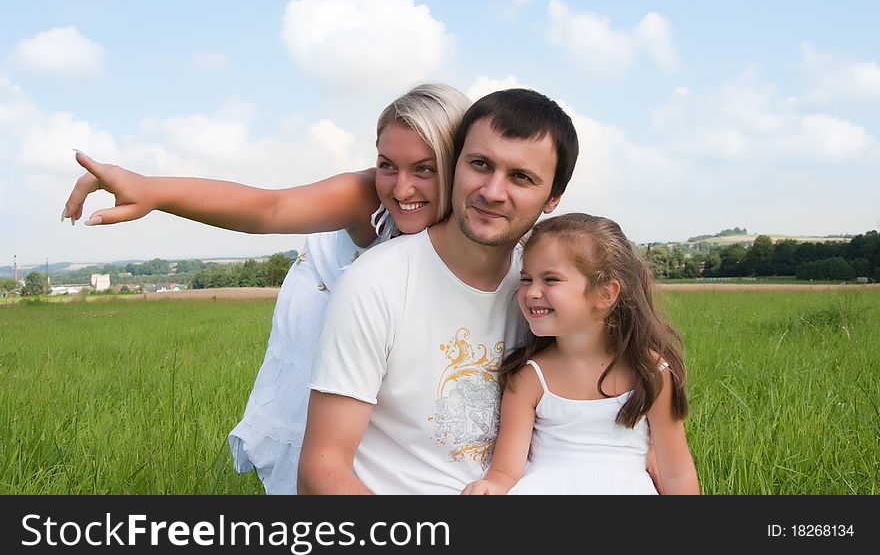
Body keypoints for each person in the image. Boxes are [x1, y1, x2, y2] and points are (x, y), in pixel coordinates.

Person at [61, 83, 472, 494]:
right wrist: (154, 191)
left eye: (425, 169)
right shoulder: (368, 198)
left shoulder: (482, 226)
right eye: (387, 165)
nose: (401, 189)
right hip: (323, 297)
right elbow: (270, 208)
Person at [298, 88, 580, 494]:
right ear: (456, 163)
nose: (492, 191)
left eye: (521, 177)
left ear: (552, 197)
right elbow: (321, 468)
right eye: (480, 164)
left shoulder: (547, 291)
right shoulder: (377, 284)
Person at [461, 213, 700, 495]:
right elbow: (505, 470)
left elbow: (676, 471)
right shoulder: (530, 377)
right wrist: (491, 486)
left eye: (551, 280)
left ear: (605, 294)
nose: (532, 292)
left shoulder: (650, 371)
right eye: (526, 279)